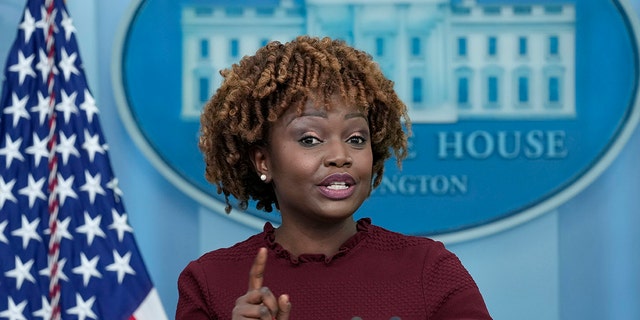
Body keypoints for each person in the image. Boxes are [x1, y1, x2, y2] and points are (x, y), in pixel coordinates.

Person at [176, 35, 492, 319]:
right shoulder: (209, 282)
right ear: (263, 160)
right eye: (310, 139)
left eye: (356, 138)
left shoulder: (430, 271)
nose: (340, 156)